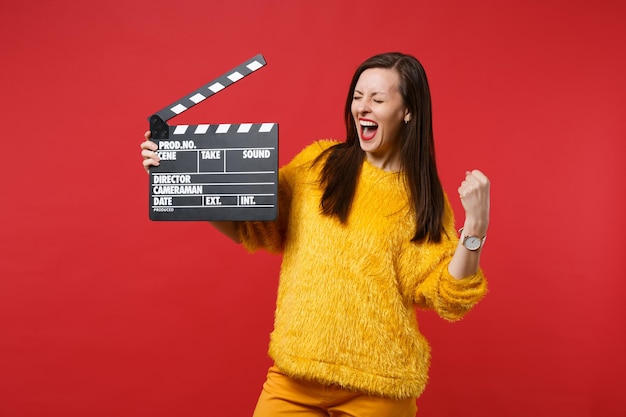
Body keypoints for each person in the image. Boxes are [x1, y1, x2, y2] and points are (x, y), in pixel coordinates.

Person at [140, 52, 490, 417]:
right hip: (294, 377)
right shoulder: (317, 164)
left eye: (378, 99)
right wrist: (179, 178)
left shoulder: (424, 199)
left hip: (379, 388)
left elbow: (447, 294)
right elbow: (251, 226)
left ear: (408, 111)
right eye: (357, 96)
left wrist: (476, 229)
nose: (363, 108)